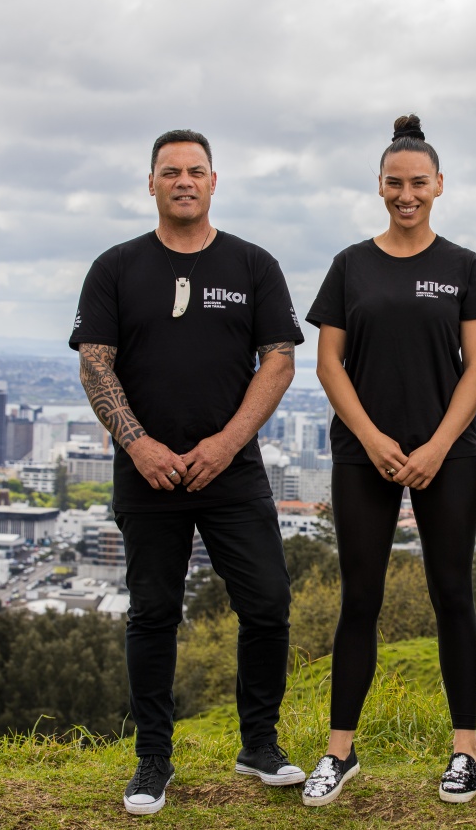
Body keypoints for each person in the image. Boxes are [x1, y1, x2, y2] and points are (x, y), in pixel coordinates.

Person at [69, 129, 306, 815]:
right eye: (169, 171)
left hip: (232, 469)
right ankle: (153, 759)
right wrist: (139, 444)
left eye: (195, 171)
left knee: (267, 601)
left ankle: (259, 743)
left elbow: (280, 359)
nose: (183, 180)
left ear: (213, 181)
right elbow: (95, 361)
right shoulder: (115, 267)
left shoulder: (253, 265)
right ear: (150, 183)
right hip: (145, 471)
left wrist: (227, 444)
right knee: (152, 612)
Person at [300, 114, 476, 806]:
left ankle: (465, 752)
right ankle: (338, 751)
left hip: (448, 453)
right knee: (361, 598)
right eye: (394, 182)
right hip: (365, 455)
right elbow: (329, 364)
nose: (406, 193)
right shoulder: (350, 265)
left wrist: (438, 445)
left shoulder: (464, 267)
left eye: (418, 182)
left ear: (440, 185)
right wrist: (377, 439)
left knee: (453, 595)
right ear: (379, 186)